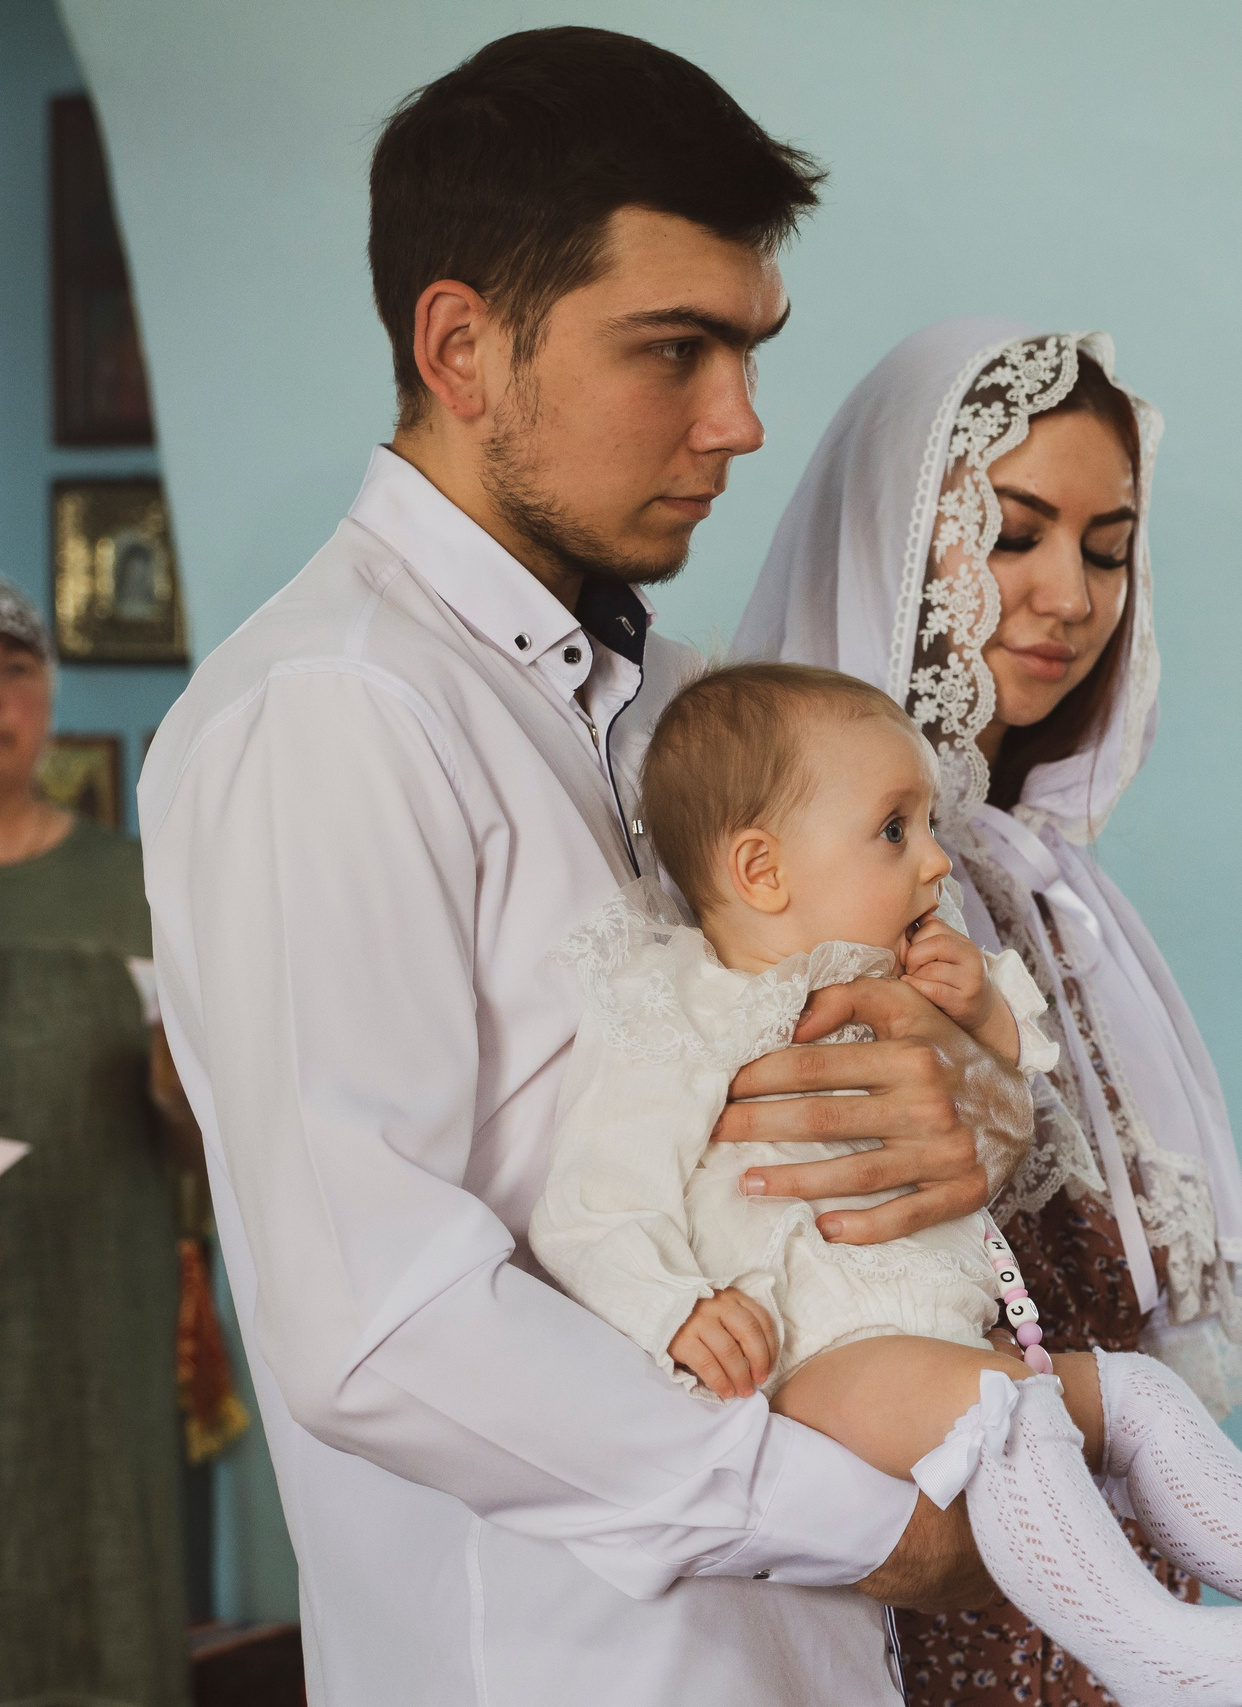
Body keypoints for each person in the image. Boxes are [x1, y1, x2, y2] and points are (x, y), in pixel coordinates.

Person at [139, 31, 1034, 1706]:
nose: (743, 421)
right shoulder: (329, 717)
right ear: (461, 345)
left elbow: (874, 1076)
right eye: (674, 350)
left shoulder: (693, 707)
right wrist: (865, 1523)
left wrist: (946, 1108)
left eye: (753, 350)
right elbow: (383, 1322)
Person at [534, 663, 1242, 1707]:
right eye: (895, 830)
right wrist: (675, 1307)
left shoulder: (908, 975)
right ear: (763, 870)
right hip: (818, 1358)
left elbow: (1022, 1082)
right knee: (1004, 1416)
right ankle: (1155, 1653)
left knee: (1135, 1394)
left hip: (936, 1338)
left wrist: (987, 1024)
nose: (934, 862)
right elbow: (593, 1201)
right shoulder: (682, 1011)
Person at [739, 322, 1242, 1707]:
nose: (1068, 595)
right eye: (1012, 533)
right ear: (897, 533)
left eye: (1107, 548)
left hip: (1100, 1575)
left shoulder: (1044, 883)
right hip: (943, 1575)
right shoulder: (821, 901)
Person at [0, 577, 194, 1707]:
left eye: (15, 672)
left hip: (93, 1338)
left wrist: (182, 1097)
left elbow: (196, 1156)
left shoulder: (134, 891)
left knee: (104, 1590)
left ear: (48, 700)